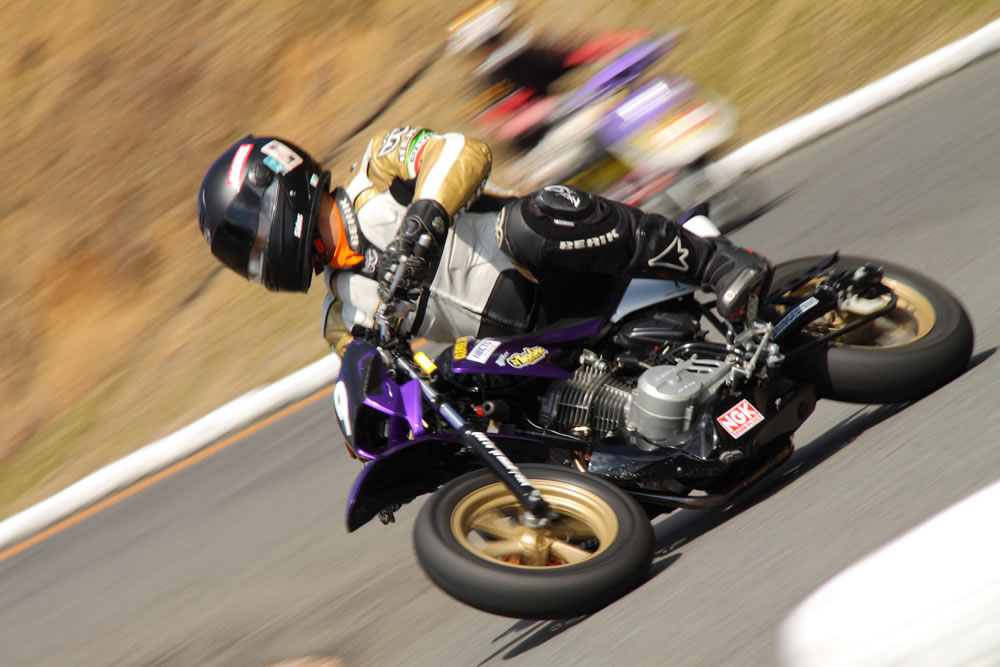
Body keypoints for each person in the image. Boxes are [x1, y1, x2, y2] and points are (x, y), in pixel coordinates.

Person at [196, 128, 770, 353]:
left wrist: (422, 222)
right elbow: (376, 379)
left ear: (279, 191)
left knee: (532, 218)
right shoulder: (340, 319)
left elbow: (462, 150)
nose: (258, 259)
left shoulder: (376, 169)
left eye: (250, 241)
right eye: (246, 257)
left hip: (562, 268)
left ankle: (714, 262)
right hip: (528, 355)